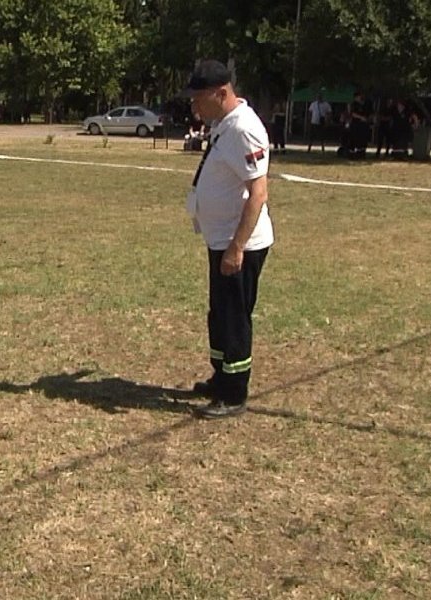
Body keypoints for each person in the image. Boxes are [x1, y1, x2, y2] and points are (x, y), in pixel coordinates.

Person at [182, 59, 274, 419]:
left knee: (234, 317)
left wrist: (237, 247)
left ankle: (234, 393)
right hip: (221, 239)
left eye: (199, 98)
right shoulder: (224, 123)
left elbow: (259, 193)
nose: (194, 106)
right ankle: (221, 377)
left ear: (222, 93)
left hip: (241, 244)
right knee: (219, 314)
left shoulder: (244, 129)